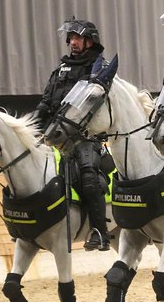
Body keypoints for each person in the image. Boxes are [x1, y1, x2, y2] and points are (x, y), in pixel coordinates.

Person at [33, 17, 111, 251]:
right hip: (55, 135)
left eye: (78, 38)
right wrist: (30, 129)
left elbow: (99, 105)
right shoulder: (60, 71)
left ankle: (100, 232)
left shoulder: (99, 69)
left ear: (89, 41)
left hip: (86, 137)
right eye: (71, 39)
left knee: (88, 176)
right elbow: (46, 103)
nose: (73, 43)